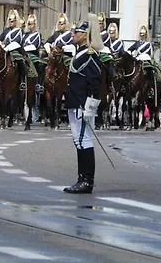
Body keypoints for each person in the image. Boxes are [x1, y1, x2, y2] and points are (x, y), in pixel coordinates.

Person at [63, 13, 102, 194]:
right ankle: (82, 179)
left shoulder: (90, 55)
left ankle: (87, 181)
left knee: (83, 141)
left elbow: (95, 83)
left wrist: (91, 108)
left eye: (76, 32)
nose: (73, 35)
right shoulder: (80, 53)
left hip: (82, 105)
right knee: (78, 141)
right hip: (75, 103)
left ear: (85, 35)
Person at [0, 9, 27, 92]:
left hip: (16, 51)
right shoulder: (6, 30)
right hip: (6, 51)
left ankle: (22, 81)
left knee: (20, 62)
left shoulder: (20, 31)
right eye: (10, 20)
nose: (11, 22)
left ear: (16, 20)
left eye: (13, 20)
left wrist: (8, 48)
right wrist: (2, 46)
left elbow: (18, 42)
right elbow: (0, 39)